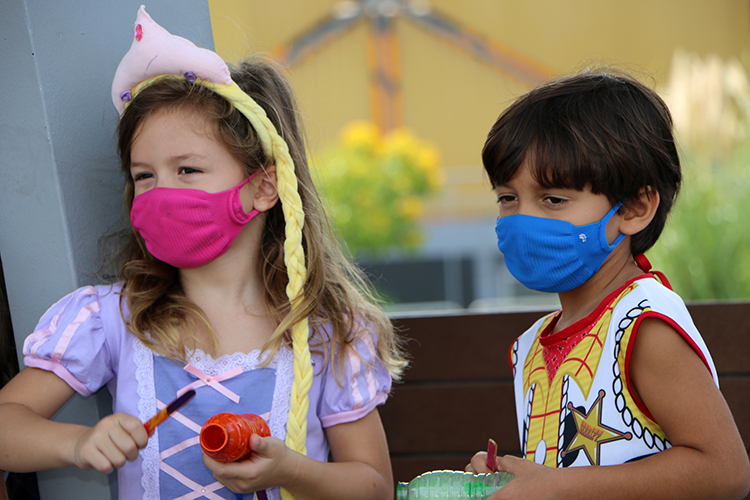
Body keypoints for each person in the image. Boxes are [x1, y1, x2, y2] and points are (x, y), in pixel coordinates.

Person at [0, 7, 406, 500]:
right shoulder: (110, 320)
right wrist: (77, 443)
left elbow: (375, 487)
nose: (160, 193)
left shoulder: (327, 332)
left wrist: (291, 471)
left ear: (263, 188)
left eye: (187, 170)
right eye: (144, 175)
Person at [465, 71, 750, 499]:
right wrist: (511, 480)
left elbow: (725, 471)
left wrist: (558, 486)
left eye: (553, 199)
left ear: (634, 208)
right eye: (508, 198)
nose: (522, 220)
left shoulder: (643, 325)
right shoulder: (530, 345)